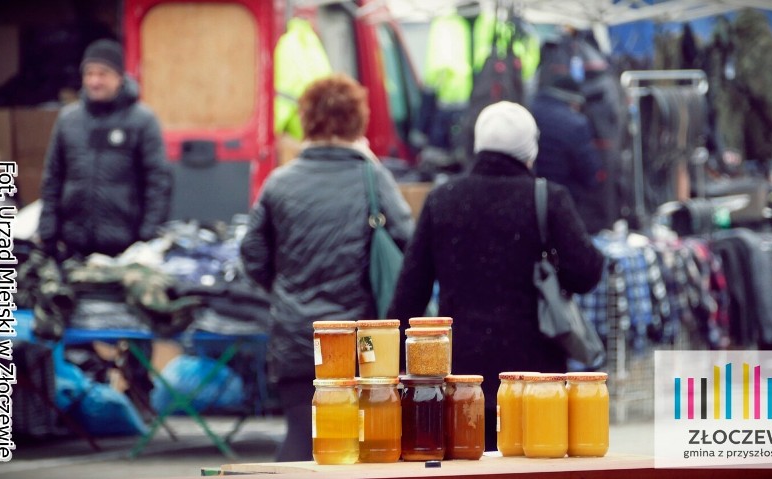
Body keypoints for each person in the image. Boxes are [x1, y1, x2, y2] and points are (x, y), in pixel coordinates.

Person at [387, 101, 604, 452]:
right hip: (534, 381)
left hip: (461, 382)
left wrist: (394, 373)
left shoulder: (443, 199)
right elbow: (588, 273)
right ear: (531, 149)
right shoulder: (547, 199)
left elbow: (409, 295)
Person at [240, 73, 413, 462]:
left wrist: (284, 288)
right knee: (362, 443)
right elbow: (409, 246)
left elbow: (252, 253)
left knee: (302, 433)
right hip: (359, 339)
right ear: (358, 119)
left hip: (297, 336)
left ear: (306, 119)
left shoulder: (278, 183)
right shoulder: (374, 178)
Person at [38, 39, 172, 260]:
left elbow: (158, 182)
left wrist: (148, 236)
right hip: (73, 245)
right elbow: (52, 178)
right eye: (89, 74)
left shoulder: (142, 120)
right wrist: (48, 231)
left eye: (103, 74)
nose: (94, 81)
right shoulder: (68, 120)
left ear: (119, 77)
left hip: (125, 247)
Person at [529, 75, 607, 234]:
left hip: (530, 200)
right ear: (574, 102)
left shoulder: (528, 111)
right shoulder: (576, 124)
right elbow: (591, 173)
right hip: (565, 203)